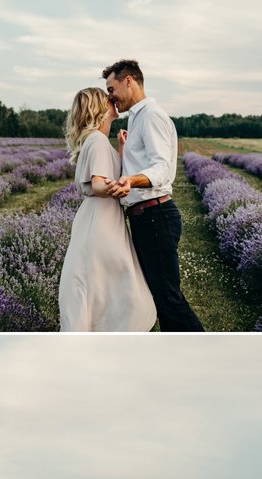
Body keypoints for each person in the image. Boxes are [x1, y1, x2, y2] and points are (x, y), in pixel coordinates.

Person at [102, 59, 204, 331]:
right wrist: (124, 150)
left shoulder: (151, 116)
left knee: (169, 301)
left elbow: (161, 169)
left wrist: (131, 180)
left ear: (128, 81)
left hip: (155, 216)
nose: (110, 97)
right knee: (159, 301)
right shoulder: (137, 118)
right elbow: (140, 165)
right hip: (145, 217)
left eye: (111, 89)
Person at [58, 87, 156, 331]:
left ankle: (96, 328)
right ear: (98, 109)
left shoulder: (96, 141)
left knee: (99, 280)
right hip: (102, 218)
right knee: (112, 279)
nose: (113, 101)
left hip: (98, 216)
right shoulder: (98, 141)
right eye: (108, 99)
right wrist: (119, 187)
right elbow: (99, 183)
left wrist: (121, 151)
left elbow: (103, 177)